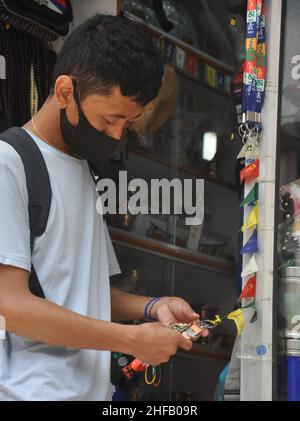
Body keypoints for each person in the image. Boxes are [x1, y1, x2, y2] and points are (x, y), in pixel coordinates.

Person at [0, 14, 207, 401]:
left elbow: (82, 291)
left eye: (126, 125)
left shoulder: (84, 169)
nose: (115, 136)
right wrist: (131, 339)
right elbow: (9, 305)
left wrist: (152, 306)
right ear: (64, 91)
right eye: (110, 119)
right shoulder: (9, 164)